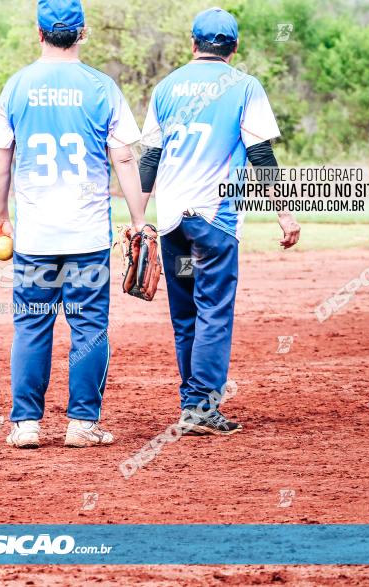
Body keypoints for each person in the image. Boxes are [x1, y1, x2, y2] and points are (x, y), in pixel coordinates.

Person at [0, 0, 147, 448]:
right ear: (83, 33)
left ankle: (25, 425)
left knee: (32, 325)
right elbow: (124, 156)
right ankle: (81, 424)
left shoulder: (17, 85)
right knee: (89, 328)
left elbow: (1, 160)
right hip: (87, 233)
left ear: (38, 33)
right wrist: (138, 219)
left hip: (36, 236)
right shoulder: (103, 86)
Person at [137, 7, 301, 434]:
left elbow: (150, 158)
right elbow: (260, 154)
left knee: (187, 311)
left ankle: (192, 402)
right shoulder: (245, 86)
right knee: (213, 310)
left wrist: (139, 218)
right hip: (214, 223)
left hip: (173, 223)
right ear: (234, 47)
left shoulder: (166, 87)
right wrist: (284, 214)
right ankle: (201, 408)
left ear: (193, 44)